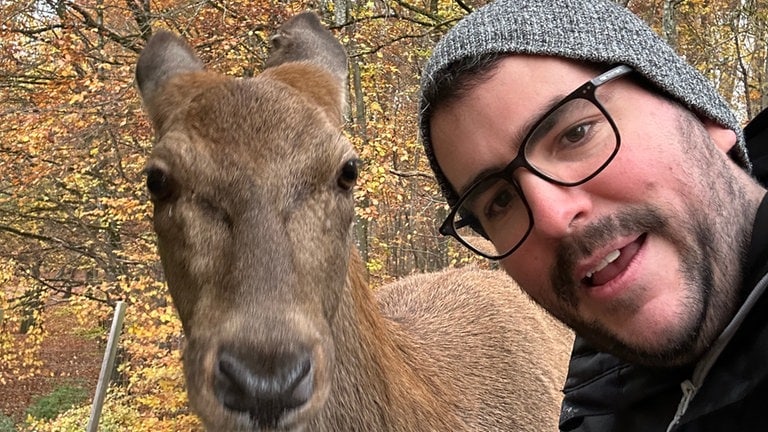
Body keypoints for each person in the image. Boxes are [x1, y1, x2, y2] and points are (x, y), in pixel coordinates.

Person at [417, 0, 768, 430]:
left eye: (575, 134)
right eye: (500, 202)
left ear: (701, 112)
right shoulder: (590, 409)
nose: (551, 216)